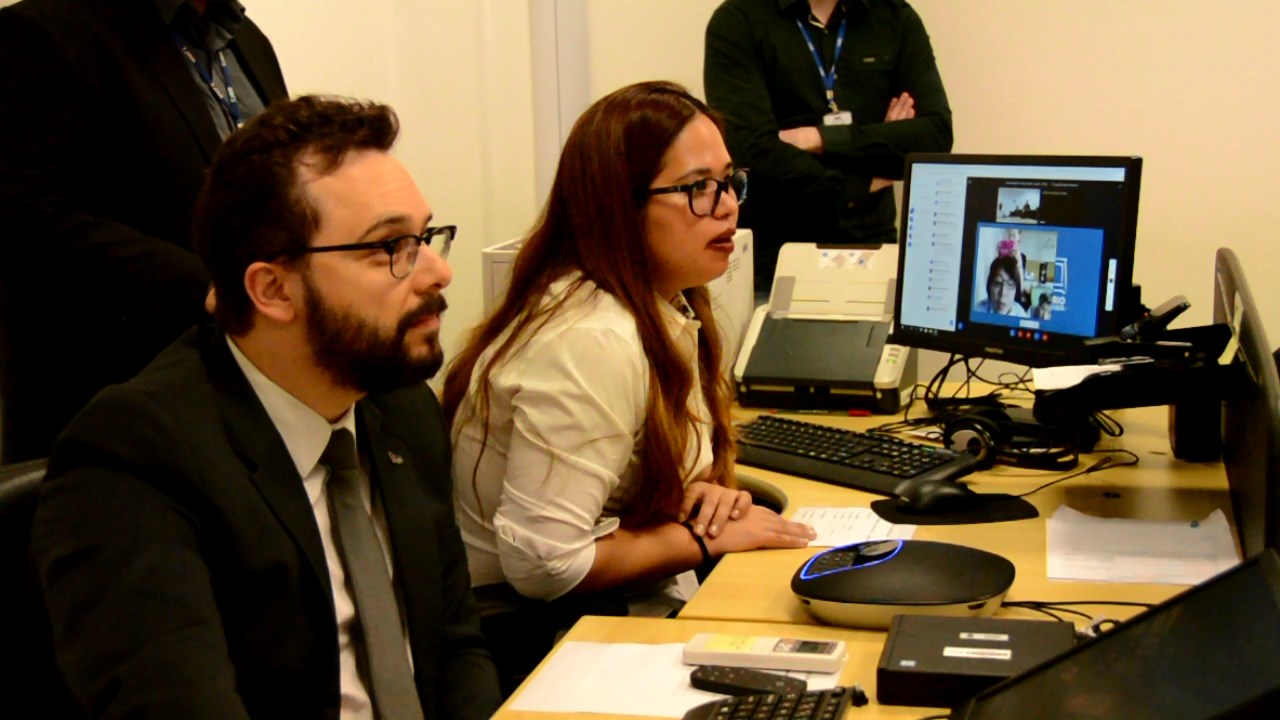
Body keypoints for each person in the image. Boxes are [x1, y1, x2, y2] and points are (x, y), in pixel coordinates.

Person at [31, 96, 501, 719]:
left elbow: (453, 648)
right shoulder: (135, 457)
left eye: (426, 236)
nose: (437, 271)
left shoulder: (402, 410)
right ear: (273, 289)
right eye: (389, 247)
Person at [444, 81, 815, 617]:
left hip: (623, 605)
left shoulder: (668, 306)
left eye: (729, 181)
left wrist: (705, 498)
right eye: (697, 187)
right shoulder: (589, 339)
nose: (728, 205)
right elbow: (545, 566)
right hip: (539, 638)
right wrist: (700, 541)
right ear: (620, 206)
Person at [0, 0, 288, 462]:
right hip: (117, 410)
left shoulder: (248, 41)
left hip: (257, 394)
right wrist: (216, 290)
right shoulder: (39, 32)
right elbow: (30, 220)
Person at [704, 0, 953, 290]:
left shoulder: (895, 18)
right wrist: (865, 178)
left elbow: (935, 136)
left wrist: (817, 138)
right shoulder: (738, 21)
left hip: (874, 257)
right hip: (775, 268)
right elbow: (752, 152)